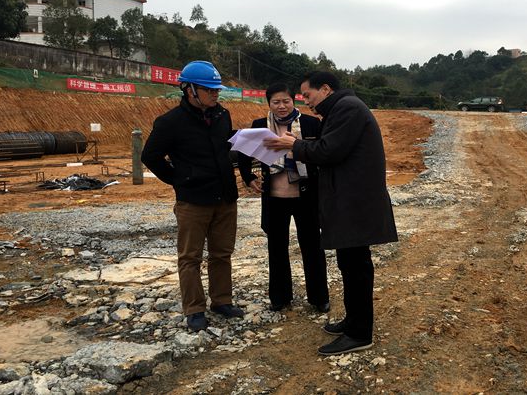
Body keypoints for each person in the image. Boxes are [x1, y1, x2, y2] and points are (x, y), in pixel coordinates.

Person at [264, 71, 398, 356]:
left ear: (325, 89)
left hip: (355, 203)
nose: (306, 101)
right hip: (349, 202)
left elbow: (328, 151)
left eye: (308, 95)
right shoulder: (341, 108)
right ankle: (353, 321)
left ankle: (359, 333)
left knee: (356, 268)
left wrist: (294, 145)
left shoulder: (348, 109)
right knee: (349, 264)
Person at [141, 60, 244, 332]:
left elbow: (226, 149)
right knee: (190, 257)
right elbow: (150, 156)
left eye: (216, 89)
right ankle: (195, 308)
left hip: (225, 198)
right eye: (209, 90)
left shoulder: (222, 116)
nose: (215, 94)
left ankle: (222, 301)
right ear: (190, 90)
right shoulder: (170, 122)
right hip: (193, 201)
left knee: (222, 253)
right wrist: (179, 180)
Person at [237, 83, 330, 313]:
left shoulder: (310, 124)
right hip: (274, 197)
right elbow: (243, 153)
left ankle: (319, 297)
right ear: (268, 103)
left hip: (305, 196)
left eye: (286, 101)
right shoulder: (260, 126)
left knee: (312, 246)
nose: (281, 106)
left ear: (293, 101)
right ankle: (280, 297)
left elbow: (323, 153)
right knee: (277, 248)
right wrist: (249, 177)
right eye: (276, 102)